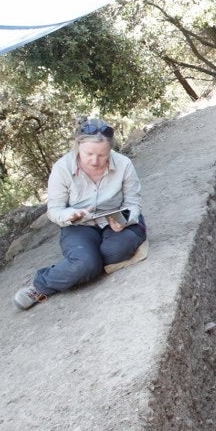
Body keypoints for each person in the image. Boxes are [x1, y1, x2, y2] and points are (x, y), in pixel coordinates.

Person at [13, 119, 146, 310]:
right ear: (78, 146)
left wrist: (126, 220)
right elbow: (54, 210)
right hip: (80, 226)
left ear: (111, 150)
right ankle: (40, 286)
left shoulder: (124, 164)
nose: (95, 161)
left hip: (115, 220)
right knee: (85, 262)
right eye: (89, 154)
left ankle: (86, 267)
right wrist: (70, 215)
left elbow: (133, 203)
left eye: (102, 155)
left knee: (116, 250)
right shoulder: (62, 168)